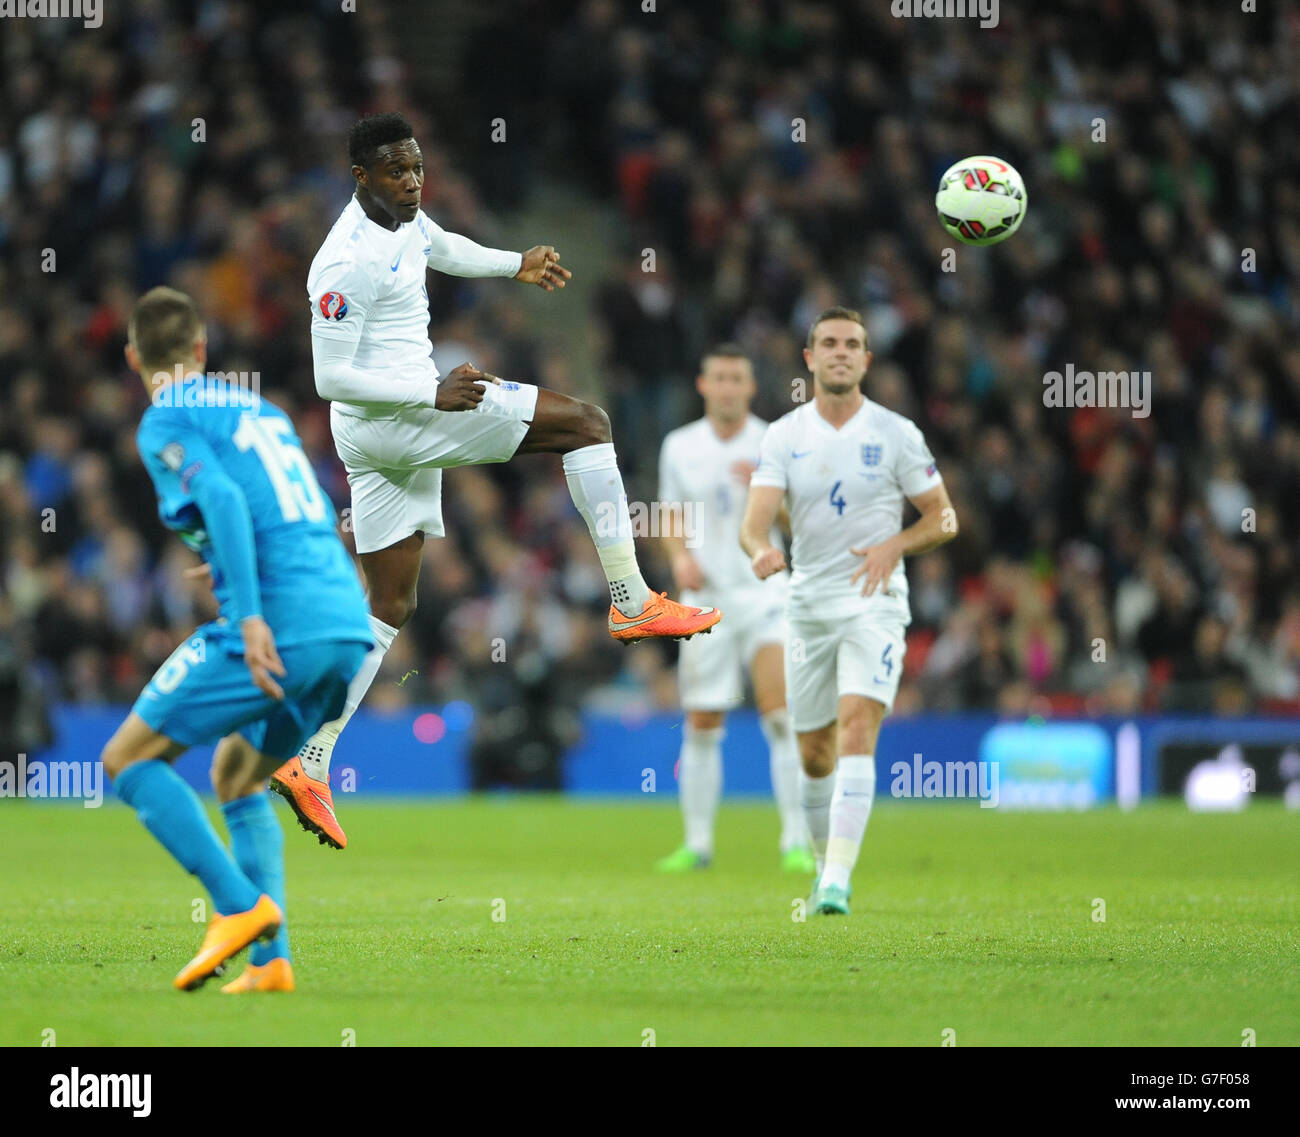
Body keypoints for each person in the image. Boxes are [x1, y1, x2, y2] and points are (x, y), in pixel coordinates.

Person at [273, 112, 720, 849]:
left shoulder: (406, 221)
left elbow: (441, 246)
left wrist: (515, 261)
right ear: (360, 176)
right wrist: (430, 396)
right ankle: (631, 600)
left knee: (389, 603)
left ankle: (309, 758)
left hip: (387, 433)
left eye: (416, 167)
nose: (412, 181)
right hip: (401, 415)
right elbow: (328, 375)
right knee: (589, 422)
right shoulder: (342, 260)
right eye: (395, 170)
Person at [100, 286, 373, 991]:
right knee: (236, 774)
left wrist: (250, 616)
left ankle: (236, 906)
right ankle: (271, 962)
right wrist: (224, 558)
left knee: (125, 758)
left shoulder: (166, 417)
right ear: (200, 347)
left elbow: (220, 498)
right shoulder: (264, 411)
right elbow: (289, 506)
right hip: (345, 623)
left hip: (279, 625)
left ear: (134, 356)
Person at [740, 307, 958, 915]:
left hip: (875, 603)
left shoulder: (897, 434)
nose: (840, 352)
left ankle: (837, 878)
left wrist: (897, 543)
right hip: (807, 606)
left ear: (866, 359)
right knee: (813, 753)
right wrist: (761, 552)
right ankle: (821, 866)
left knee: (858, 726)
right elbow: (753, 527)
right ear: (809, 359)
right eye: (828, 343)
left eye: (852, 344)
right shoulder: (784, 436)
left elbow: (944, 516)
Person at [654, 345, 812, 874]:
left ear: (749, 387)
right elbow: (670, 515)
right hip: (706, 601)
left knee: (780, 713)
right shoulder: (679, 446)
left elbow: (800, 522)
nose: (726, 387)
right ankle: (697, 845)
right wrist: (679, 560)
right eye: (718, 377)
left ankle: (794, 839)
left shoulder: (774, 441)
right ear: (703, 385)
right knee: (702, 721)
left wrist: (769, 497)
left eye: (736, 379)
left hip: (766, 593)